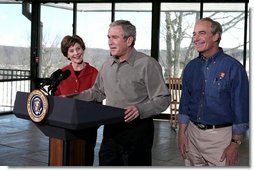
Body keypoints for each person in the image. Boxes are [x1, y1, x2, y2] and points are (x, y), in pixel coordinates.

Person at [69, 20, 170, 166]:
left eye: (115, 37)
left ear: (129, 40)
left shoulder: (147, 64)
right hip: (111, 131)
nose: (110, 42)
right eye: (108, 37)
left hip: (138, 132)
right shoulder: (107, 64)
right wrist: (72, 97)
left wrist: (139, 109)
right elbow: (97, 92)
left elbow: (163, 99)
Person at [178, 17, 249, 166]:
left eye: (201, 33)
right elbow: (184, 103)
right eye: (194, 34)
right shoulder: (191, 67)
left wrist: (235, 142)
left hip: (220, 138)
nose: (196, 38)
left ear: (216, 36)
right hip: (192, 134)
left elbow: (240, 109)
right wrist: (181, 133)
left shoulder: (233, 68)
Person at [53, 35, 99, 166]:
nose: (76, 53)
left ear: (83, 49)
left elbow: (98, 98)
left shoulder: (94, 73)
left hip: (87, 126)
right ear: (67, 55)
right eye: (71, 51)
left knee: (85, 158)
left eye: (78, 49)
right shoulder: (61, 74)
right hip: (65, 125)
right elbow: (56, 99)